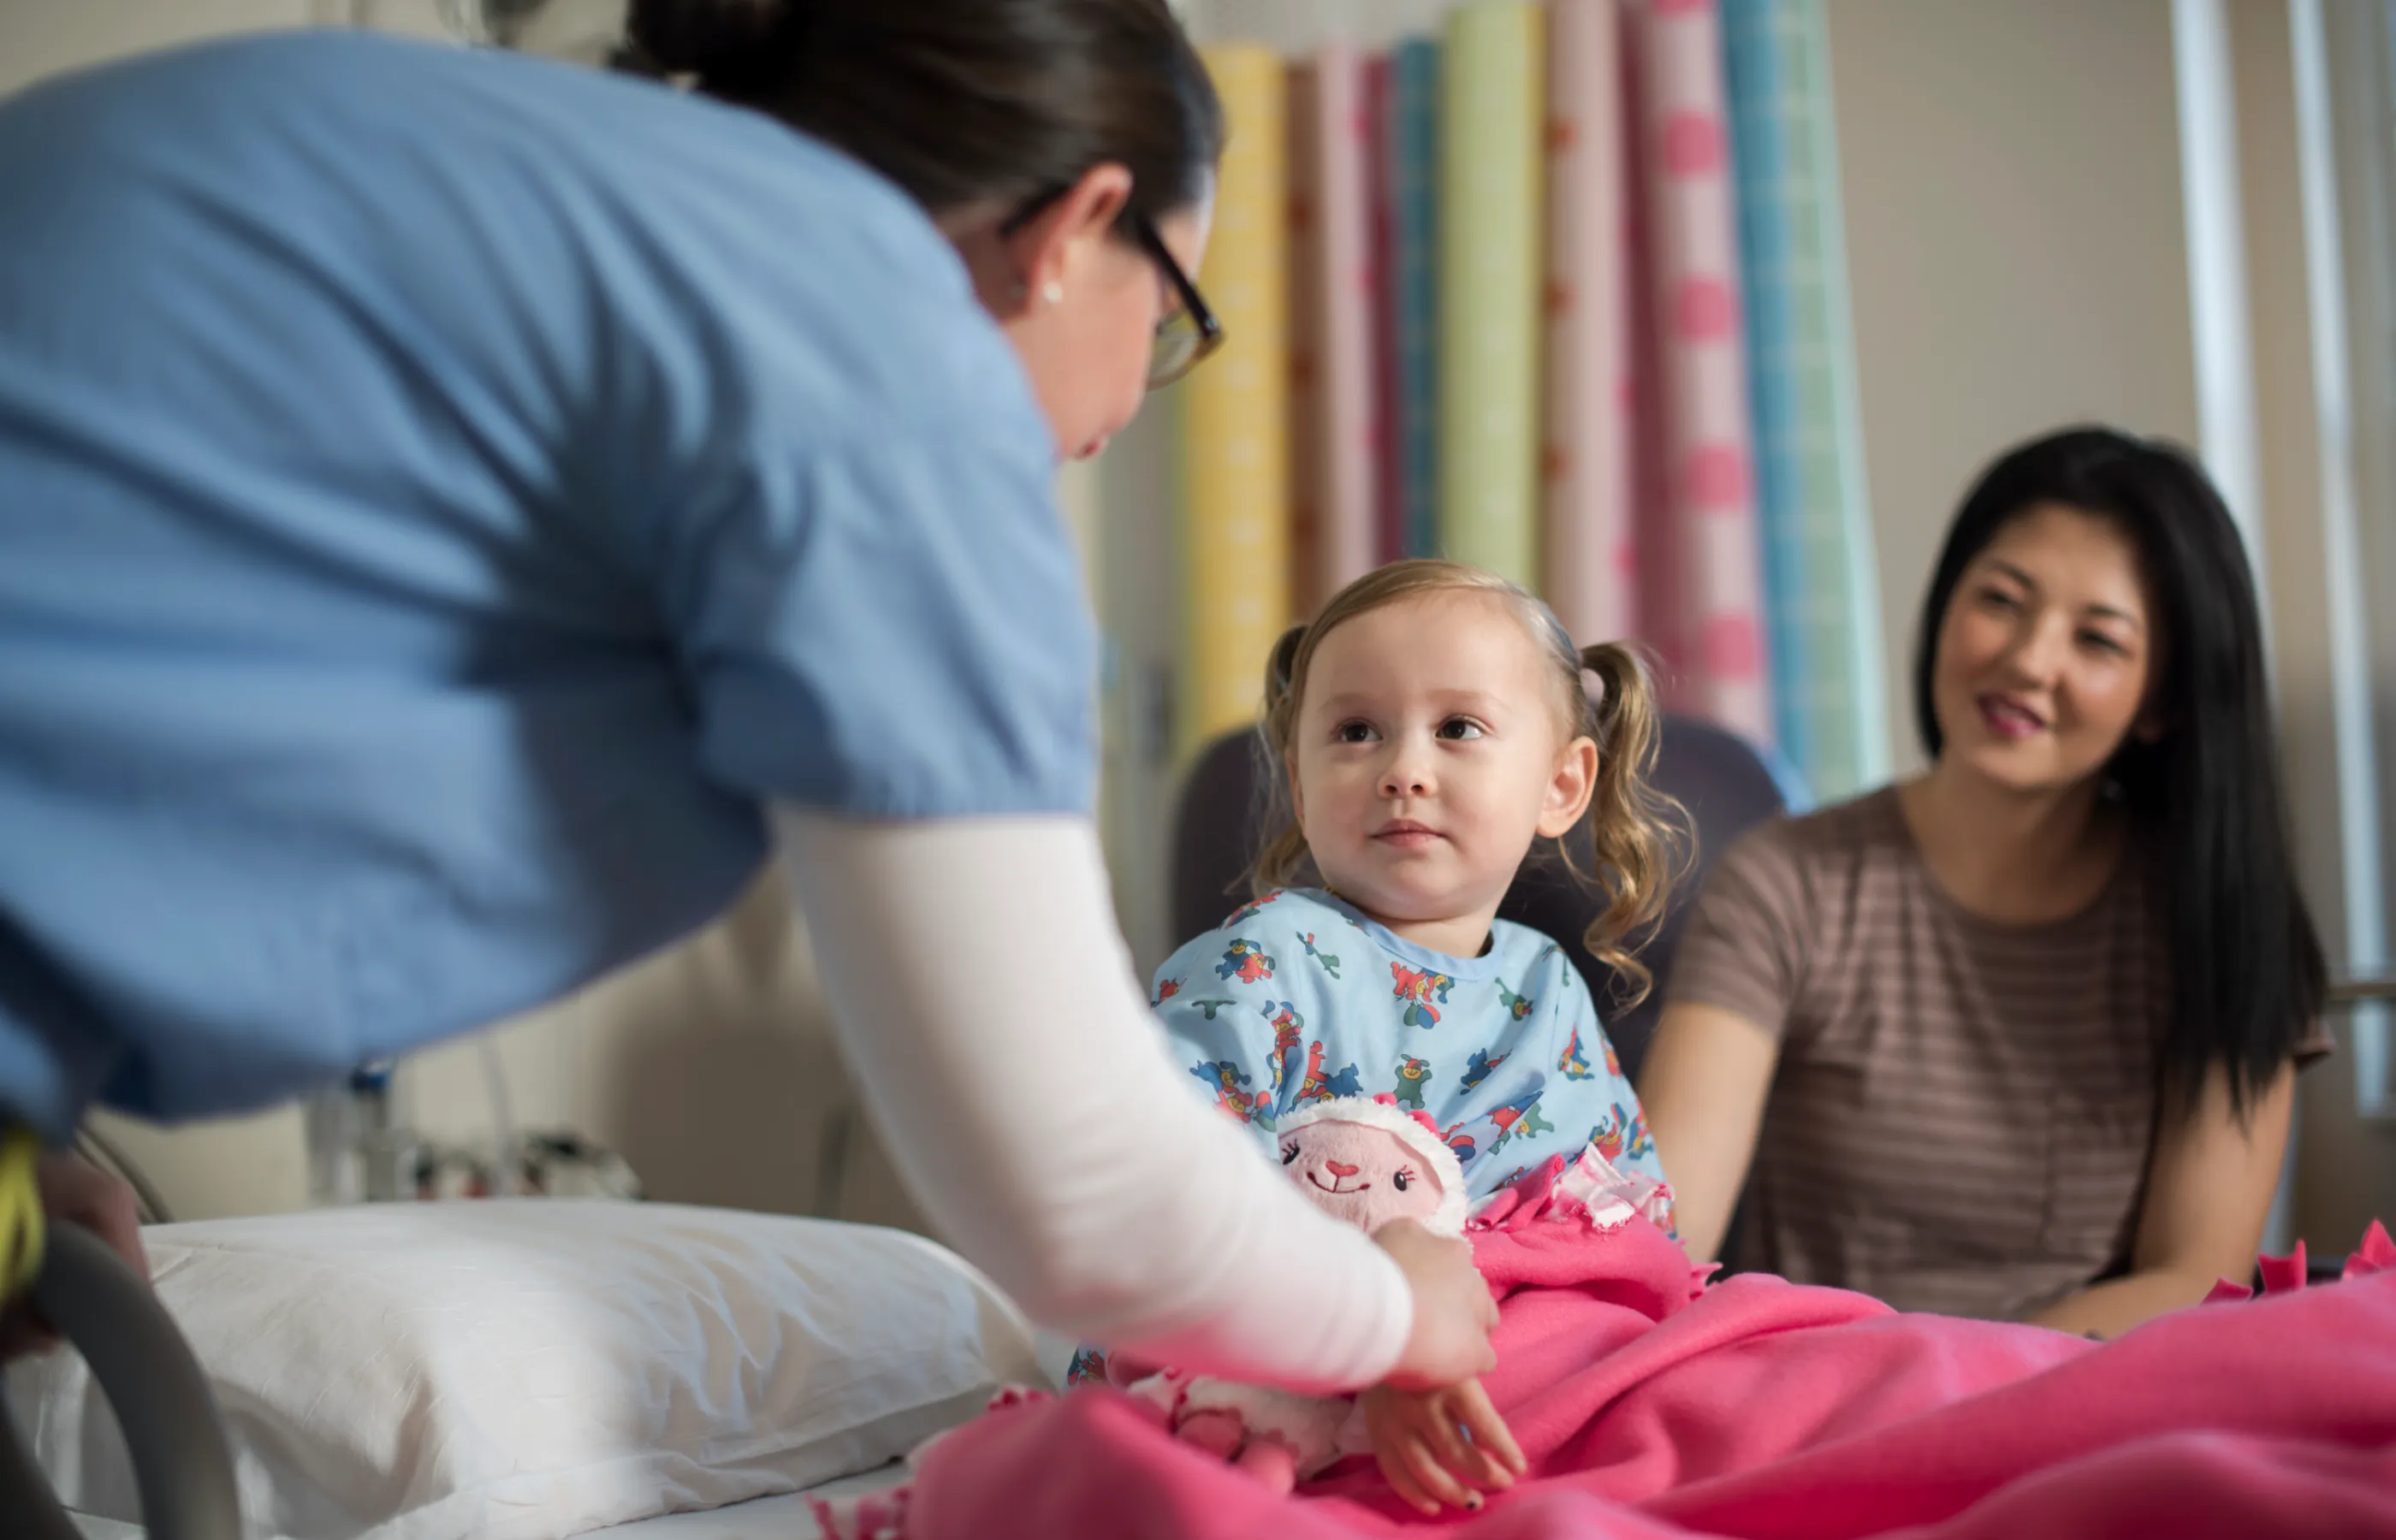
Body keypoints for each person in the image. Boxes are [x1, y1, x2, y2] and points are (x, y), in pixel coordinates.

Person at [0, 0, 1499, 1400]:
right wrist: (1397, 1313)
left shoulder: (466, 152)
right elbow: (1081, 1190)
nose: (1110, 424)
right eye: (1166, 324)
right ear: (1078, 230)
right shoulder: (885, 358)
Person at [1637, 426, 2329, 1340]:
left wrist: (1978, 1395)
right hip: (1822, 1401)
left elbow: (2189, 1278)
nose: (2029, 659)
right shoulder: (1783, 884)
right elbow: (1661, 1240)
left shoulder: (2218, 921)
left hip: (2081, 1400)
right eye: (2001, 601)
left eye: (2096, 639)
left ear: (2163, 700)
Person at [1103, 559, 1675, 1510]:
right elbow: (1168, 1203)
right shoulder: (1264, 962)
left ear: (1561, 784)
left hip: (1521, 1363)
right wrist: (1383, 1314)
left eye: (1457, 729)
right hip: (1292, 1362)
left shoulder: (1548, 986)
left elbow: (1626, 1226)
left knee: (1792, 1345)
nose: (1403, 770)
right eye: (1355, 732)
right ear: (1298, 777)